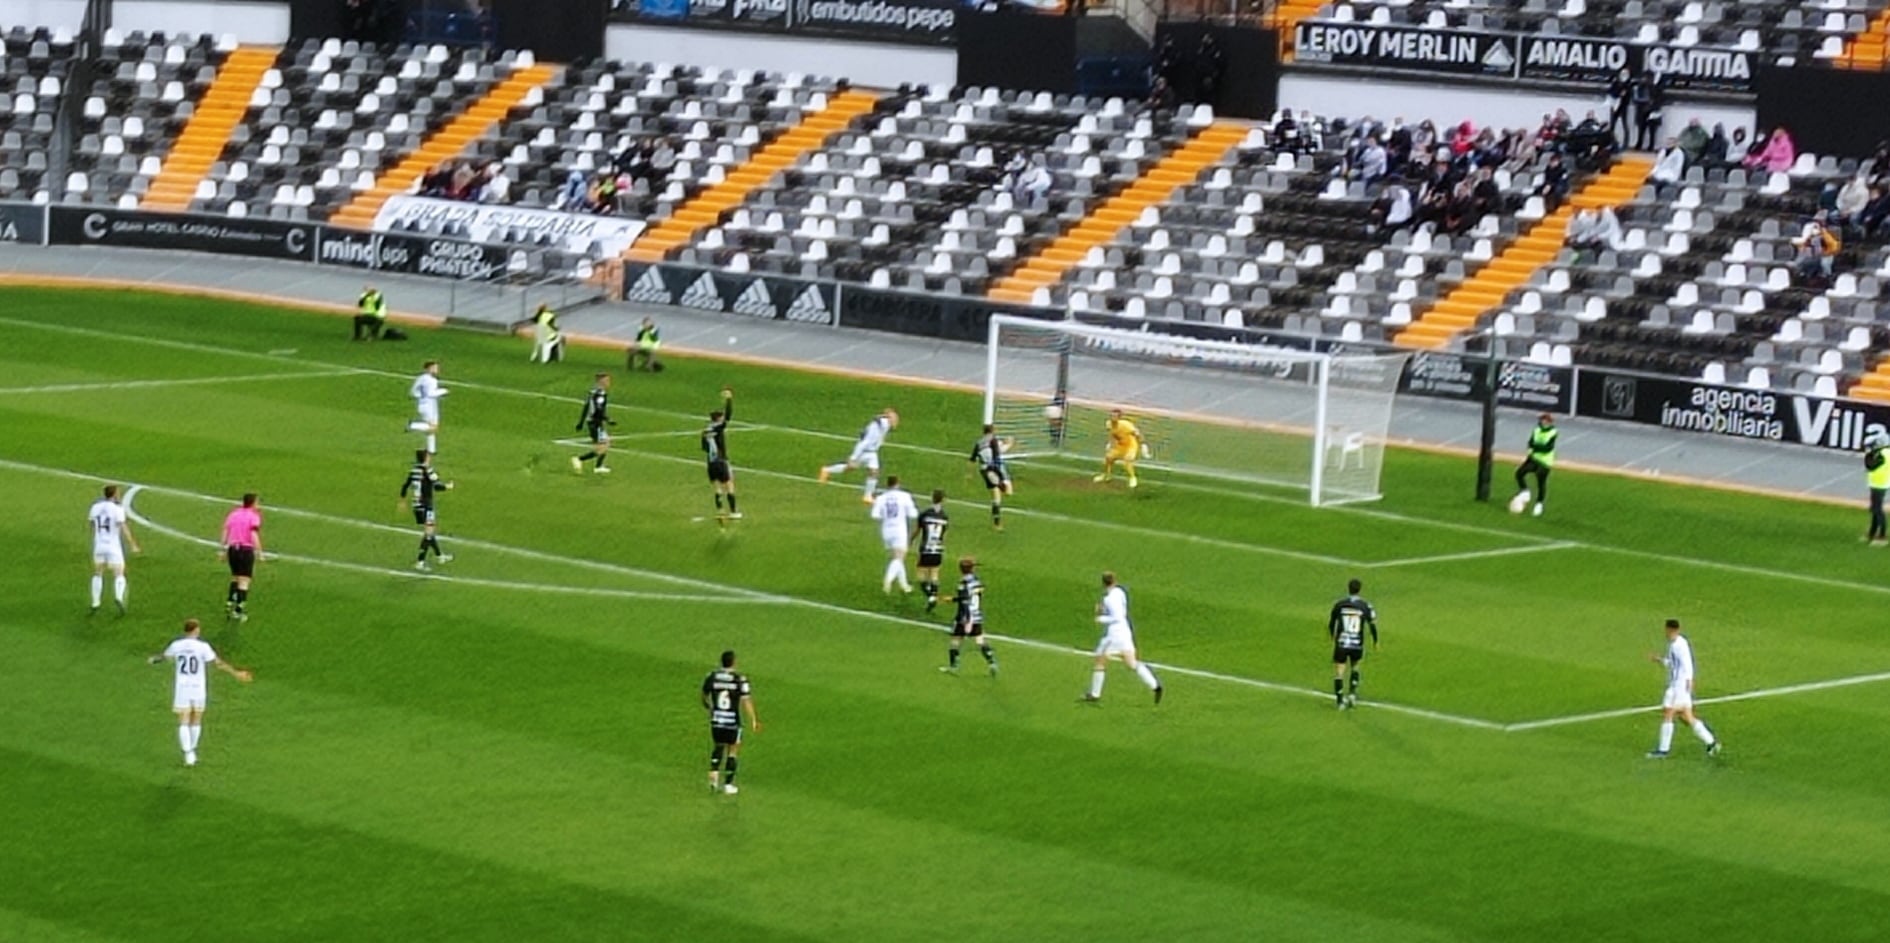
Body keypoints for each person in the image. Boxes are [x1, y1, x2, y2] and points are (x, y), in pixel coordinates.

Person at [149, 618, 252, 767]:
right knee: (196, 718)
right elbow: (218, 663)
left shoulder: (176, 645)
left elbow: (164, 657)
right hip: (198, 687)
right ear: (196, 630)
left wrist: (153, 660)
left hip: (182, 686)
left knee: (183, 719)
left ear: (185, 630)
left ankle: (187, 753)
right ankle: (193, 750)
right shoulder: (203, 647)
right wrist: (236, 673)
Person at [1081, 571, 1162, 704]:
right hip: (1125, 632)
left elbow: (1116, 617)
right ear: (1114, 581)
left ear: (1103, 583)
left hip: (1114, 635)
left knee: (1100, 660)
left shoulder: (1109, 599)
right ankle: (1155, 686)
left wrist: (1100, 617)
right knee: (1131, 663)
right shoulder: (1120, 592)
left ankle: (1095, 694)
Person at [1645, 619, 1722, 758]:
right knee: (1686, 717)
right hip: (1675, 685)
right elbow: (1673, 663)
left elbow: (1688, 664)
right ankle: (1711, 742)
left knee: (1669, 713)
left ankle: (1663, 750)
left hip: (1679, 686)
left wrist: (1689, 680)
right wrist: (1660, 660)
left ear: (1671, 630)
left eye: (1667, 630)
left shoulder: (1680, 645)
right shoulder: (1672, 644)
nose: (1666, 633)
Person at [702, 650, 759, 794]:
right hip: (732, 723)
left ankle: (713, 779)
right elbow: (746, 701)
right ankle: (728, 785)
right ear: (734, 662)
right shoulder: (739, 679)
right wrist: (753, 719)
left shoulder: (712, 677)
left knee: (718, 747)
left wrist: (710, 708)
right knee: (732, 751)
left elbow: (704, 695)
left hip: (717, 721)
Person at [819, 408, 899, 503]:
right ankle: (827, 470)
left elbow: (881, 420)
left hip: (872, 452)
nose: (896, 422)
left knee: (874, 472)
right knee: (850, 468)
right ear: (889, 418)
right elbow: (864, 443)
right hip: (864, 451)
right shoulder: (876, 427)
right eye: (895, 419)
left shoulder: (884, 425)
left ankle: (867, 496)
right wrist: (853, 457)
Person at [88, 484, 140, 615]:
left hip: (99, 545)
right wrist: (133, 544)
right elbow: (123, 528)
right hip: (113, 546)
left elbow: (92, 526)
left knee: (98, 572)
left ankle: (95, 602)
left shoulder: (95, 507)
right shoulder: (117, 509)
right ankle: (118, 597)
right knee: (119, 572)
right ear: (115, 494)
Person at [942, 557, 998, 676]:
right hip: (977, 614)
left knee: (955, 640)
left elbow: (964, 601)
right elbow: (978, 593)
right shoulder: (976, 581)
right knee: (980, 640)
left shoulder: (963, 583)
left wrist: (966, 619)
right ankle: (992, 663)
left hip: (965, 616)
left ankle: (954, 667)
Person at [1328, 578, 1379, 709]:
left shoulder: (1340, 604)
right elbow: (1372, 625)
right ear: (1359, 589)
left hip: (1342, 643)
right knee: (1355, 667)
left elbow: (1332, 622)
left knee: (1339, 672)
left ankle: (1340, 701)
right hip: (1357, 643)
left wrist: (1332, 636)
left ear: (1348, 588)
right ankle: (1352, 694)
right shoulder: (1365, 605)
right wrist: (1375, 640)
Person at [400, 449, 455, 571]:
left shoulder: (414, 470)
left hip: (417, 506)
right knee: (429, 535)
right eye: (428, 456)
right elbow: (437, 486)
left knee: (430, 532)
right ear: (425, 458)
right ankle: (420, 562)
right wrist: (448, 486)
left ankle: (440, 556)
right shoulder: (428, 470)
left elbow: (405, 486)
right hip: (426, 506)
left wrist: (403, 501)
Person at [869, 475, 918, 594]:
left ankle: (904, 585)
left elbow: (874, 515)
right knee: (899, 558)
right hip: (899, 530)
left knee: (897, 558)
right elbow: (913, 514)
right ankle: (888, 580)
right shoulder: (904, 496)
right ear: (898, 484)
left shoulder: (881, 498)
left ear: (888, 485)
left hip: (886, 530)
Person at [219, 493, 263, 621]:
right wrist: (260, 552)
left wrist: (222, 550)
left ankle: (229, 603)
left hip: (233, 549)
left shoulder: (234, 514)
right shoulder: (254, 517)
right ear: (253, 503)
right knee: (244, 581)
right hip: (246, 549)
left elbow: (225, 530)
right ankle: (238, 611)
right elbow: (253, 534)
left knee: (235, 577)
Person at [703, 386, 740, 522]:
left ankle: (720, 510)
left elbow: (705, 448)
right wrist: (729, 399)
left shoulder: (705, 431)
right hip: (721, 460)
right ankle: (733, 512)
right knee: (729, 484)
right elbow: (729, 416)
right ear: (718, 419)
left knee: (717, 487)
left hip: (710, 463)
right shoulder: (719, 427)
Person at [1511, 413, 1558, 517]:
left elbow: (1548, 448)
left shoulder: (1553, 432)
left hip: (1545, 462)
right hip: (1533, 458)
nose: (1544, 422)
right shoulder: (1536, 430)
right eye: (1542, 420)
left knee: (1541, 481)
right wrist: (1535, 448)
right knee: (1519, 473)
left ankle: (1539, 504)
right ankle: (1525, 491)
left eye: (1546, 420)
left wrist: (1536, 447)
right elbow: (1530, 443)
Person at [968, 424, 1014, 529]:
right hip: (996, 468)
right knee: (1006, 492)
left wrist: (969, 474)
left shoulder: (979, 443)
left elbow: (972, 459)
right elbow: (998, 452)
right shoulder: (994, 440)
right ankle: (997, 523)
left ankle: (996, 523)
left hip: (985, 470)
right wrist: (1009, 444)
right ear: (992, 431)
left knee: (997, 496)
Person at [570, 372, 616, 474]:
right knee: (602, 447)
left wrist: (581, 422)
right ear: (601, 381)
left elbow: (586, 407)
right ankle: (579, 459)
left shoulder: (592, 392)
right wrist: (608, 419)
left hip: (592, 422)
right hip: (596, 423)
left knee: (605, 443)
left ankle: (598, 466)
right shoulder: (600, 394)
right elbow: (598, 411)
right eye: (607, 380)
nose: (609, 383)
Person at [914, 489, 950, 612]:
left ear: (932, 498)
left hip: (925, 548)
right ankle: (933, 594)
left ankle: (931, 596)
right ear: (943, 500)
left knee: (920, 575)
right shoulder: (945, 517)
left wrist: (910, 540)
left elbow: (917, 530)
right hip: (938, 548)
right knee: (934, 574)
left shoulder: (925, 514)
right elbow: (944, 535)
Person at [1094, 408, 1147, 489]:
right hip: (1120, 446)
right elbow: (1112, 434)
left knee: (1127, 460)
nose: (1112, 418)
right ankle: (1106, 475)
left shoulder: (1126, 425)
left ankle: (1133, 478)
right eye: (1111, 416)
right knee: (1108, 458)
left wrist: (1143, 445)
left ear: (1119, 418)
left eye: (1115, 416)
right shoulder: (1108, 424)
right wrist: (1110, 443)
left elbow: (1137, 434)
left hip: (1130, 445)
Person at [407, 360, 447, 454]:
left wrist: (421, 397)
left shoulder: (421, 378)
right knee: (433, 427)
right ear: (429, 369)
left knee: (431, 429)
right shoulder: (430, 380)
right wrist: (443, 391)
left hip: (425, 405)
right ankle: (412, 426)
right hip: (429, 407)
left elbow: (412, 392)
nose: (437, 370)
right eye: (435, 368)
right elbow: (431, 393)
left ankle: (431, 449)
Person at [1865, 431, 1888, 545]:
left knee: (1878, 510)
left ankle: (1882, 537)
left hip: (1879, 484)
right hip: (1880, 483)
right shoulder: (1885, 453)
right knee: (1875, 509)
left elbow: (1871, 466)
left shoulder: (1882, 454)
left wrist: (1869, 455)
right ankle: (1872, 533)